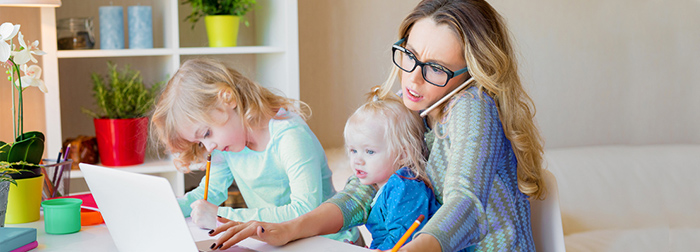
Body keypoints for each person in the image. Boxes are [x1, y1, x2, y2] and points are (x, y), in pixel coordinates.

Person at [207, 0, 547, 251]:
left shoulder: (473, 107)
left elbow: (465, 202)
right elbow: (360, 191)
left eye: (436, 69)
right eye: (410, 56)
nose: (412, 79)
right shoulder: (415, 102)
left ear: (472, 74)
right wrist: (288, 228)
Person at [149, 59, 358, 244]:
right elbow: (209, 194)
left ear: (228, 99)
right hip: (280, 241)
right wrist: (170, 206)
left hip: (330, 241)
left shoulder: (289, 136)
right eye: (200, 142)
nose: (209, 147)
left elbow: (305, 211)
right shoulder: (227, 147)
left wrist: (222, 217)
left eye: (206, 133)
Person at [343, 88, 441, 250]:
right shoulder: (386, 185)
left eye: (369, 151)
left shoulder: (404, 186)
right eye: (353, 150)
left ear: (403, 154)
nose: (357, 160)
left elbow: (402, 239)